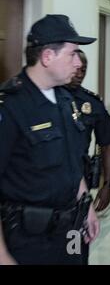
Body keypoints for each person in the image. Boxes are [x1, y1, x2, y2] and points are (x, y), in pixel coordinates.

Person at [0, 14, 100, 265]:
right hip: (29, 239)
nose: (79, 63)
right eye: (72, 54)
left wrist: (86, 204)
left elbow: (72, 163)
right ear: (47, 57)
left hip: (72, 230)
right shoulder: (11, 107)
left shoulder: (66, 101)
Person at [66, 49, 110, 264]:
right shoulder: (48, 98)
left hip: (78, 188)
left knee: (74, 247)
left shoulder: (92, 103)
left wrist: (107, 185)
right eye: (76, 68)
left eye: (83, 70)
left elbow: (107, 144)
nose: (79, 73)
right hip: (42, 190)